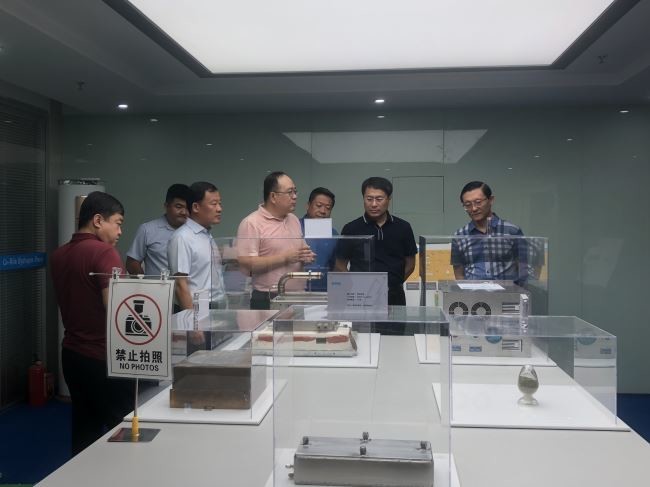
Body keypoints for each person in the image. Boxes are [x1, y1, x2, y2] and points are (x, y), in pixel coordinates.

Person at [50, 191, 134, 456]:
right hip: (105, 357)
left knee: (84, 429)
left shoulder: (59, 255)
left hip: (72, 355)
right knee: (123, 429)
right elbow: (117, 310)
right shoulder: (105, 252)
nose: (120, 231)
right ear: (98, 220)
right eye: (117, 223)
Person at [237, 171, 315, 309]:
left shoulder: (293, 219)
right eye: (290, 192)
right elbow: (247, 263)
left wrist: (306, 256)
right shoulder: (251, 223)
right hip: (268, 297)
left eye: (295, 191)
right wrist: (284, 258)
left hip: (297, 296)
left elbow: (301, 250)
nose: (295, 196)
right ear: (273, 196)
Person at [336, 177, 417, 306]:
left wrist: (394, 284)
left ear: (389, 199)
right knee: (359, 321)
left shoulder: (403, 227)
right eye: (369, 199)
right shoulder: (351, 228)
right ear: (363, 199)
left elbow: (410, 263)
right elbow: (340, 265)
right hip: (361, 296)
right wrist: (354, 285)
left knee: (395, 320)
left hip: (394, 296)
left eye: (379, 199)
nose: (374, 204)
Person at [451, 181, 539, 282]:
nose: (473, 208)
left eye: (478, 202)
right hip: (472, 292)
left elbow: (524, 270)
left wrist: (517, 291)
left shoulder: (512, 231)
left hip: (507, 291)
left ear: (491, 200)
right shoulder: (459, 236)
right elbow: (459, 274)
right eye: (468, 205)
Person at [167, 181, 226, 311]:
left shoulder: (206, 235)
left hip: (216, 306)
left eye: (220, 203)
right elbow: (180, 285)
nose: (219, 209)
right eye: (214, 204)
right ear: (195, 207)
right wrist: (192, 320)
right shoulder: (182, 237)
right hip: (197, 309)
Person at [125, 183, 191, 276]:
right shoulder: (147, 230)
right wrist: (145, 283)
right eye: (178, 207)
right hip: (158, 285)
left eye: (188, 208)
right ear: (166, 206)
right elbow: (132, 263)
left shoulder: (195, 232)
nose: (184, 212)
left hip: (188, 285)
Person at [299, 187, 338, 292]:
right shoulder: (294, 227)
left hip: (324, 292)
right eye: (319, 206)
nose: (323, 211)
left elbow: (334, 267)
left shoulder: (333, 234)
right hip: (296, 290)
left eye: (328, 208)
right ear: (308, 205)